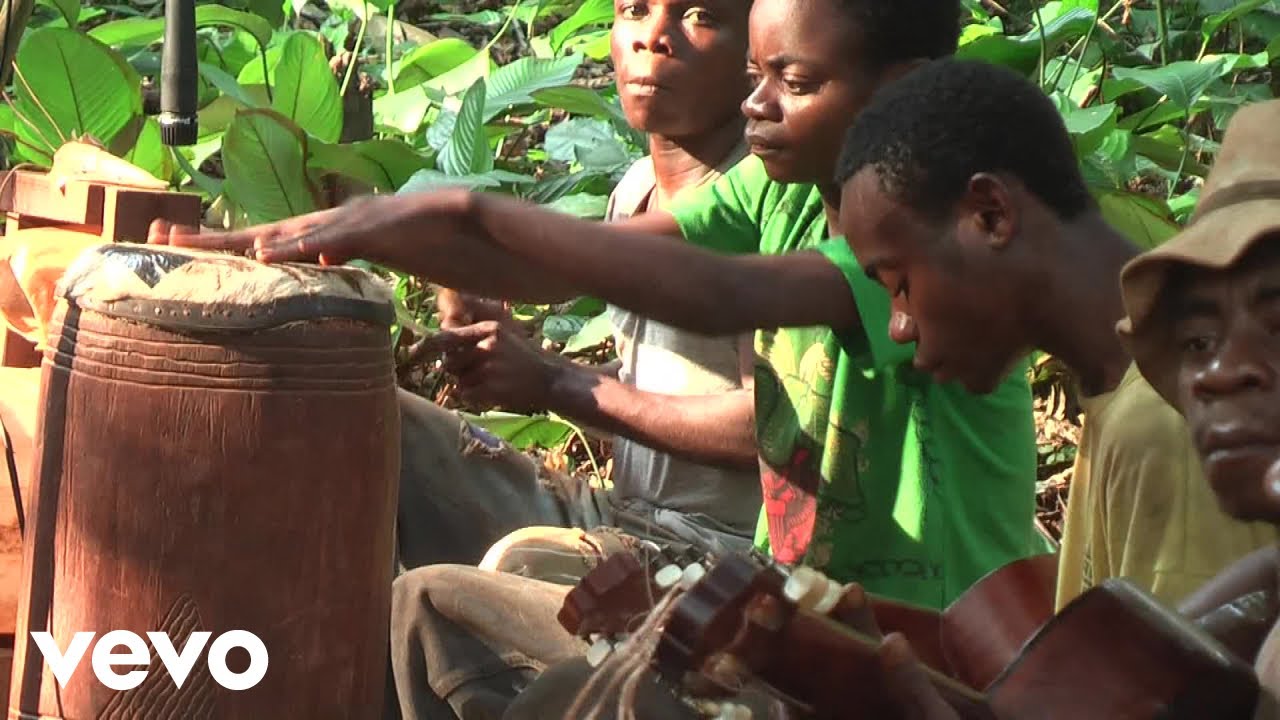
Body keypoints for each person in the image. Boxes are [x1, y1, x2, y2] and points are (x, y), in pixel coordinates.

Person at [158, 0, 1048, 615]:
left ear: (902, 89)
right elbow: (581, 266)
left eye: (792, 79)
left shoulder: (917, 240)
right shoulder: (768, 195)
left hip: (934, 637)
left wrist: (469, 226)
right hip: (809, 612)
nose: (756, 102)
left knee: (448, 607)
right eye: (757, 74)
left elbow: (719, 293)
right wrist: (296, 239)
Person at [848, 87, 1280, 720]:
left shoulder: (1156, 430)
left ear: (992, 214)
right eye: (1197, 342)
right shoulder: (1128, 413)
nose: (1217, 375)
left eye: (901, 284)